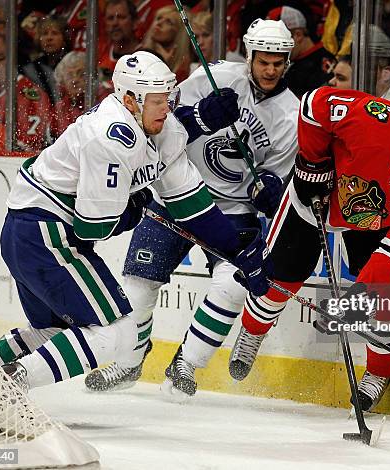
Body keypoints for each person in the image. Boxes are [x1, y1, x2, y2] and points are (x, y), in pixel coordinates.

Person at [0, 51, 272, 392]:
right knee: (121, 333)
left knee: (53, 331)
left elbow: (193, 206)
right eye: (156, 101)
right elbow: (93, 227)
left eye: (168, 99)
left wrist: (236, 251)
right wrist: (135, 205)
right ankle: (8, 384)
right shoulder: (110, 135)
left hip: (32, 233)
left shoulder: (163, 129)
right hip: (46, 235)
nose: (165, 108)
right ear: (129, 100)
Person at [84, 19, 299, 397]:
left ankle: (186, 364)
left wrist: (269, 189)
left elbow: (275, 175)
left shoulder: (290, 114)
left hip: (233, 206)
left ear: (287, 62)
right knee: (138, 285)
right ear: (249, 55)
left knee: (234, 282)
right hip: (178, 190)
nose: (270, 70)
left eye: (278, 62)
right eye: (263, 61)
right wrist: (201, 114)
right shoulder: (212, 77)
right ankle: (129, 362)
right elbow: (160, 121)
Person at [229, 90, 390, 413]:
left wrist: (353, 303)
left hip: (368, 222)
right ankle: (251, 332)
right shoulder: (376, 121)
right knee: (279, 279)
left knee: (389, 293)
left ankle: (378, 372)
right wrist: (313, 164)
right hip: (315, 198)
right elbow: (314, 104)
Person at [266, 5, 335, 98]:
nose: (273, 46)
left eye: (278, 39)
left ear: (298, 35)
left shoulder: (322, 63)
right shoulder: (292, 61)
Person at [22, 16, 70, 105]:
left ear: (64, 38)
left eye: (54, 33)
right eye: (44, 34)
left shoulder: (73, 64)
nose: (49, 38)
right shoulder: (31, 69)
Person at [140, 5, 192, 83]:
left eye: (168, 22)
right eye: (158, 18)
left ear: (178, 32)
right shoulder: (140, 52)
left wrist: (163, 67)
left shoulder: (184, 69)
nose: (159, 23)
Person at [98, 0, 140, 81]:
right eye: (110, 18)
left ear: (135, 22)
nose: (115, 23)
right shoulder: (98, 55)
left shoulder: (145, 57)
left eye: (121, 17)